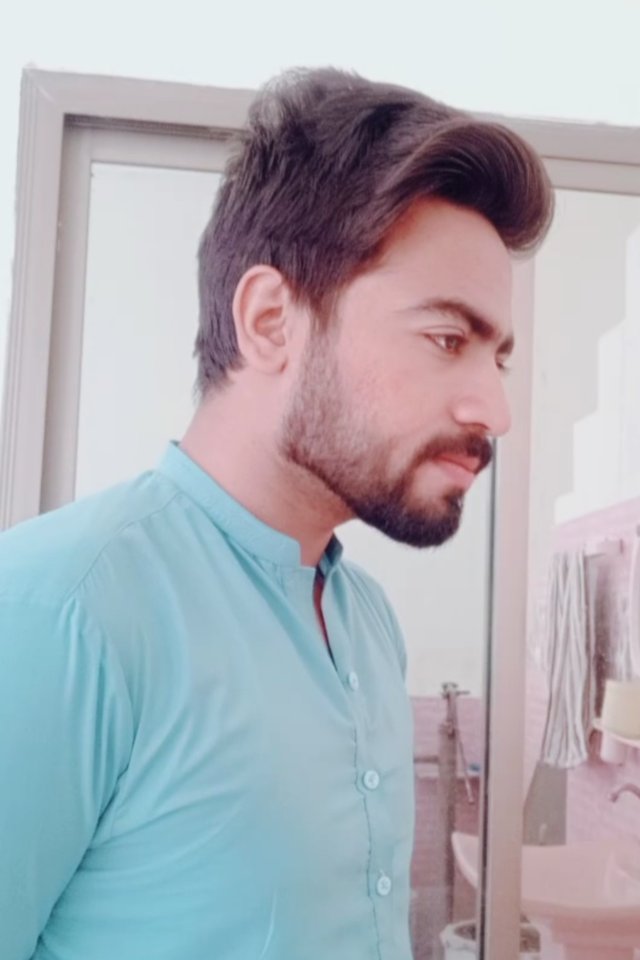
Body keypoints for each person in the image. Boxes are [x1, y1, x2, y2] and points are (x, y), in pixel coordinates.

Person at [0, 67, 553, 960]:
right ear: (269, 321)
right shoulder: (56, 613)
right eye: (448, 338)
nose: (496, 409)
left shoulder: (370, 623)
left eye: (499, 359)